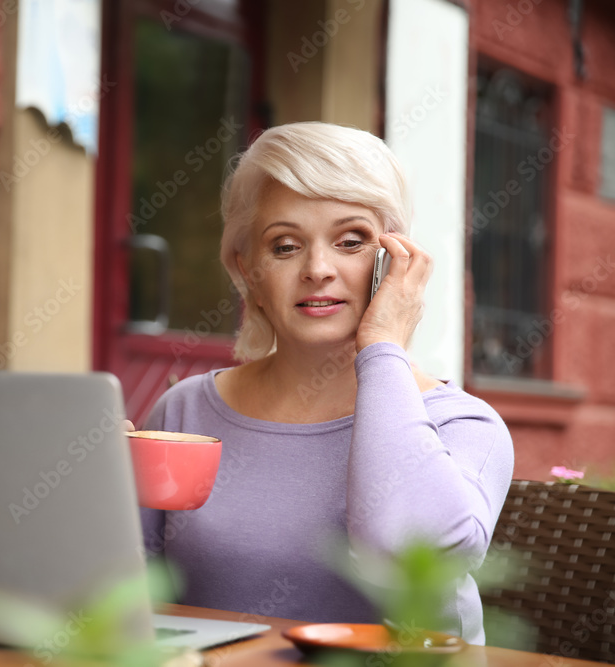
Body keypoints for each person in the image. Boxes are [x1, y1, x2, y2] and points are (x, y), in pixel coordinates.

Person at [138, 122, 514, 645]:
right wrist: (94, 497)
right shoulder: (183, 415)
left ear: (393, 262)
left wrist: (382, 343)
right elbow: (121, 600)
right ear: (249, 272)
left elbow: (405, 555)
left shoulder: (466, 426)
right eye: (286, 246)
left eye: (351, 241)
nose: (318, 268)